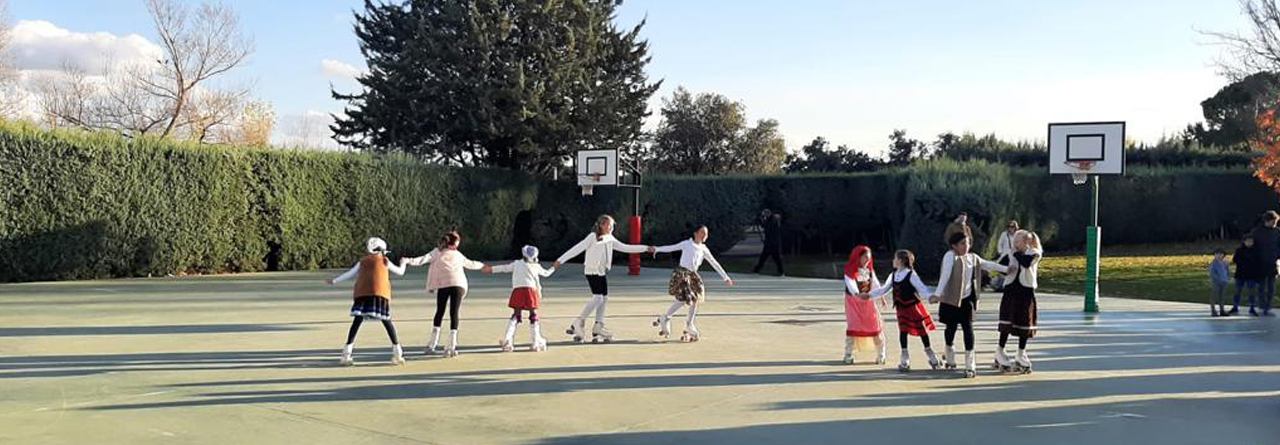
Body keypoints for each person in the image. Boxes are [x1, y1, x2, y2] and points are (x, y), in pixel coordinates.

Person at [554, 215, 655, 343]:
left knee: (604, 298)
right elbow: (576, 249)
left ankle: (598, 326)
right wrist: (560, 260)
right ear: (601, 225)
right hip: (591, 271)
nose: (611, 227)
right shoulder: (592, 237)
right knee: (598, 298)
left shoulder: (610, 238)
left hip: (601, 272)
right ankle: (578, 322)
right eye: (609, 225)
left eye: (612, 225)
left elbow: (626, 247)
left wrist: (646, 248)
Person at [931, 232, 1007, 378]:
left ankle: (970, 363)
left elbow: (987, 264)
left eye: (968, 243)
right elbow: (945, 275)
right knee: (951, 327)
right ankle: (949, 353)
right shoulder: (950, 256)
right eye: (962, 244)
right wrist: (938, 294)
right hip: (951, 300)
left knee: (968, 328)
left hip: (967, 300)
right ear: (954, 245)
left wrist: (1005, 269)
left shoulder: (972, 257)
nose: (966, 246)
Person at [402, 231, 487, 358]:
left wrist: (407, 260)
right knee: (454, 313)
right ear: (454, 244)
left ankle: (434, 344)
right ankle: (450, 346)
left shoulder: (437, 252)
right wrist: (483, 265)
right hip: (458, 285)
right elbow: (471, 263)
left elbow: (421, 260)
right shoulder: (454, 254)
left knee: (440, 312)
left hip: (446, 285)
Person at [326, 237, 408, 366]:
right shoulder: (385, 260)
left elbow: (350, 273)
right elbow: (400, 272)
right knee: (387, 322)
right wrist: (403, 263)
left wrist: (334, 280)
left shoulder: (362, 261)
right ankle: (398, 353)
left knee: (357, 322)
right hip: (380, 294)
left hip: (362, 294)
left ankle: (346, 354)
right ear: (381, 250)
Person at [860, 249, 941, 372]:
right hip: (901, 308)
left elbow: (921, 288)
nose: (893, 260)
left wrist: (930, 297)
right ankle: (905, 359)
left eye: (895, 258)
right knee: (903, 332)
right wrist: (869, 295)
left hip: (913, 307)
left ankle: (931, 356)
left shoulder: (910, 274)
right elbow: (883, 290)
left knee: (922, 331)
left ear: (901, 261)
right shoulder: (893, 275)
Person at [651, 226, 734, 342]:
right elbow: (671, 247)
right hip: (682, 275)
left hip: (693, 276)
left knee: (691, 300)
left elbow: (714, 262)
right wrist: (657, 249)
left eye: (706, 234)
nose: (705, 235)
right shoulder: (687, 244)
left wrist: (725, 277)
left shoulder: (704, 249)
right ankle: (677, 321)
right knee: (688, 299)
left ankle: (677, 321)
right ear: (695, 233)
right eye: (702, 233)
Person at [488, 245, 555, 352]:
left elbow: (504, 268)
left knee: (516, 315)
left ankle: (508, 341)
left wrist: (491, 269)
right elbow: (546, 273)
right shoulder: (536, 266)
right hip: (531, 292)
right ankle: (535, 343)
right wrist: (554, 267)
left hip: (518, 291)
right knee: (533, 315)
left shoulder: (517, 264)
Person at [994, 230, 1042, 374]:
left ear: (1026, 242)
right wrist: (1006, 269)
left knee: (1024, 324)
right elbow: (1000, 266)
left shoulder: (1034, 253)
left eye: (1018, 241)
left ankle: (1021, 353)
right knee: (1007, 323)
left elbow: (1026, 263)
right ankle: (1000, 351)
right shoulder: (1010, 253)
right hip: (1011, 293)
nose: (1015, 244)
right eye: (1014, 241)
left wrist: (1015, 254)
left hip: (1026, 293)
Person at [839, 246, 887, 365]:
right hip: (853, 303)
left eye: (869, 258)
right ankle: (848, 355)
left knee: (875, 327)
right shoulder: (850, 270)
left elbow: (875, 283)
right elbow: (850, 284)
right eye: (865, 257)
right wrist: (857, 294)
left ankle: (881, 354)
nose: (867, 260)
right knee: (853, 327)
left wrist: (881, 297)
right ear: (858, 257)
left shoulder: (870, 271)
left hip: (868, 302)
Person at [1250, 211, 1280, 317]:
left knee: (1271, 287)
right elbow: (1251, 245)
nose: (1275, 224)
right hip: (1260, 263)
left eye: (1276, 222)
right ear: (1267, 221)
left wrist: (1277, 255)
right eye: (1273, 221)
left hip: (1272, 262)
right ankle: (1262, 307)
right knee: (1261, 287)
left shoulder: (1277, 232)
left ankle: (1267, 307)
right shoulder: (1256, 232)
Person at [1230, 235, 1261, 316]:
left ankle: (1252, 308)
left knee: (1251, 292)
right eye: (1248, 241)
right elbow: (1235, 259)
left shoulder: (1256, 251)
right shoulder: (1239, 250)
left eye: (1251, 241)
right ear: (1244, 242)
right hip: (1241, 274)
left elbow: (1259, 262)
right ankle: (1235, 306)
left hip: (1252, 275)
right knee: (1237, 291)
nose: (1249, 243)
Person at [753, 209, 785, 276]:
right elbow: (765, 226)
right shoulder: (772, 220)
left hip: (772, 243)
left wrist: (760, 220)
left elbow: (766, 226)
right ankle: (781, 272)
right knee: (772, 258)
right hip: (772, 243)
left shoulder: (773, 221)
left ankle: (756, 270)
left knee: (768, 258)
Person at [993, 221, 1019, 290]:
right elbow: (1000, 243)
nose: (1011, 228)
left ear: (1015, 227)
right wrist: (1000, 251)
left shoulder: (1018, 235)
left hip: (1014, 255)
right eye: (1009, 226)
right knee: (1003, 269)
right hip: (1005, 254)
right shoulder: (1004, 234)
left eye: (1012, 227)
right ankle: (1000, 285)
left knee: (1013, 270)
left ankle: (1011, 285)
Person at [1209, 248, 1231, 317]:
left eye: (1220, 254)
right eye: (1217, 254)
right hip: (1216, 282)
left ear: (1223, 255)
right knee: (1214, 296)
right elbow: (1212, 273)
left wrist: (1227, 278)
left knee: (1222, 297)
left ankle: (1222, 310)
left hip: (1224, 281)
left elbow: (1227, 271)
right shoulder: (1213, 263)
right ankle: (1213, 310)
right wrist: (1217, 279)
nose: (1218, 256)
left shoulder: (1225, 263)